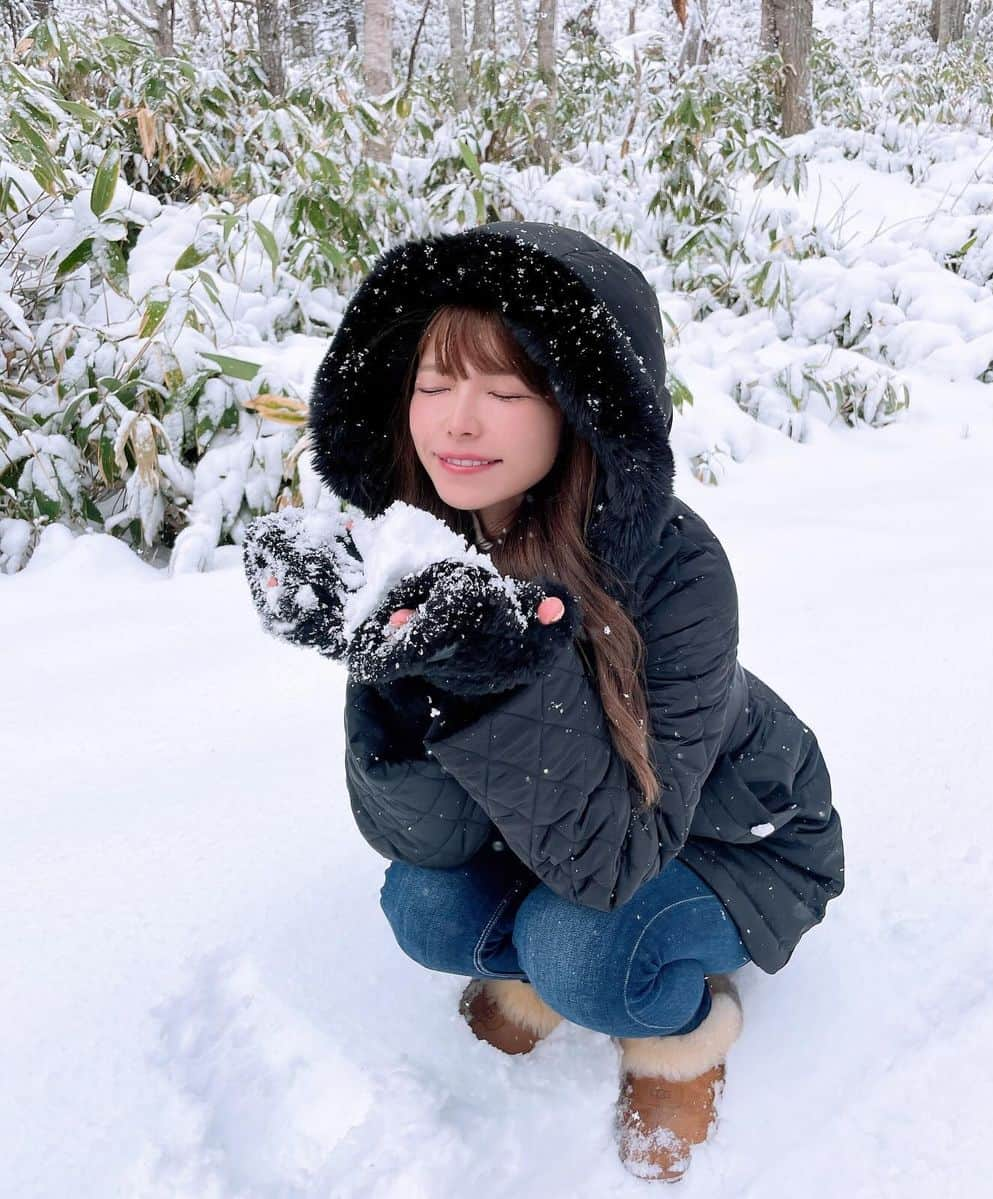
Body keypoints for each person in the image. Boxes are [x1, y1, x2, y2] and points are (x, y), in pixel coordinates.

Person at [242, 221, 845, 1183]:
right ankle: (553, 964)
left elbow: (613, 864)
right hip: (560, 824)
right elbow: (422, 838)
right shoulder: (424, 547)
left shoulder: (679, 573)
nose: (455, 424)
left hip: (740, 836)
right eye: (433, 386)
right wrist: (400, 677)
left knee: (582, 948)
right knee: (424, 906)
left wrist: (502, 669)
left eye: (504, 391)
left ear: (579, 409)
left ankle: (681, 1028)